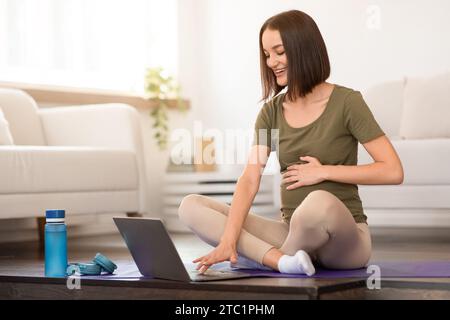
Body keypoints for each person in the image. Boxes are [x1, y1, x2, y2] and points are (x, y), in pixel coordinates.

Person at [178, 10, 404, 276]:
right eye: (266, 54)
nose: (271, 62)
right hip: (290, 231)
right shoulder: (270, 112)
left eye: (279, 52)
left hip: (342, 242)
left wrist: (324, 171)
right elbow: (251, 176)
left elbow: (392, 170)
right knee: (191, 206)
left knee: (317, 202)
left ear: (303, 49)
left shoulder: (347, 102)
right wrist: (228, 238)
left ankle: (262, 258)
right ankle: (282, 261)